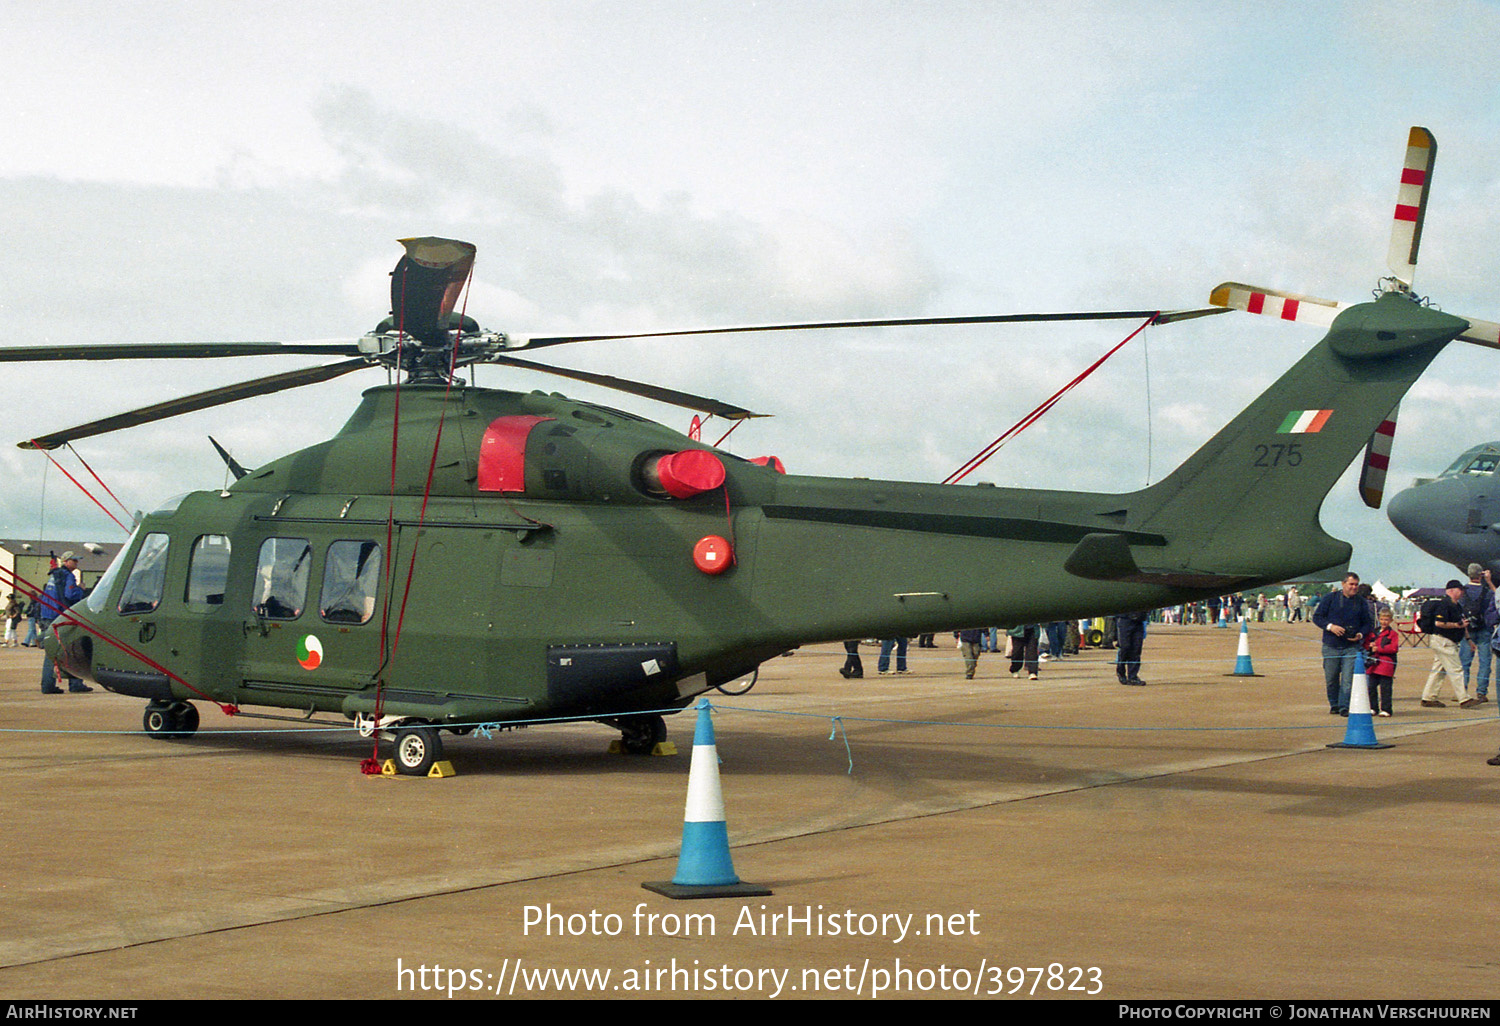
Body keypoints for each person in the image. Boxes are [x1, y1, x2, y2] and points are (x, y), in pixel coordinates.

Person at [1312, 573, 1375, 716]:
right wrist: (1330, 627)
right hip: (1331, 645)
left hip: (1351, 647)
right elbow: (1317, 617)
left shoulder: (1361, 601)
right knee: (1331, 679)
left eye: (1356, 584)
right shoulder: (1330, 598)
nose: (1354, 587)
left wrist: (1359, 634)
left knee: (1348, 680)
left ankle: (1344, 706)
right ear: (1343, 584)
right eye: (1351, 584)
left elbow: (1367, 623)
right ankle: (1334, 704)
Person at [1420, 580, 1481, 709]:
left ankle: (1428, 697)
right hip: (1443, 641)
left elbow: (1463, 623)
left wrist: (1469, 640)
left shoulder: (1457, 606)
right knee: (1456, 669)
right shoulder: (1445, 605)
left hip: (1447, 641)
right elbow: (1439, 623)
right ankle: (1464, 699)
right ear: (1451, 590)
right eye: (1460, 589)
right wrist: (1457, 625)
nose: (1462, 592)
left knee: (1438, 670)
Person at [37, 553, 91, 694]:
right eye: (74, 560)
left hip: (47, 615)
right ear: (66, 561)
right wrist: (81, 589)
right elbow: (70, 594)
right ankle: (74, 684)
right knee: (74, 646)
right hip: (59, 617)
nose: (77, 563)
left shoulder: (54, 575)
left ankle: (49, 684)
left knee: (51, 651)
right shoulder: (68, 576)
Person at [1459, 565, 1496, 703]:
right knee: (1485, 662)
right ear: (1480, 574)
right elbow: (1498, 596)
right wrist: (1490, 581)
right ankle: (1481, 692)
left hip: (1467, 629)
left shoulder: (1462, 591)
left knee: (1464, 662)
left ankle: (1462, 691)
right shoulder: (1486, 590)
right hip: (1484, 629)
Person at [1365, 608, 1400, 717]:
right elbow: (1366, 644)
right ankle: (1373, 707)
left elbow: (1394, 648)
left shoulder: (1393, 634)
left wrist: (1379, 649)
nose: (1384, 622)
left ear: (1391, 621)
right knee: (1371, 687)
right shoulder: (1373, 632)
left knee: (1385, 688)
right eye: (1382, 619)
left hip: (1386, 664)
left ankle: (1386, 709)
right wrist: (1369, 646)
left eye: (1386, 619)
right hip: (1373, 664)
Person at [1115, 610, 1149, 685]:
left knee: (1136, 649)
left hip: (1139, 620)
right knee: (1125, 647)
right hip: (1124, 619)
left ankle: (1133, 676)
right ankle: (1121, 672)